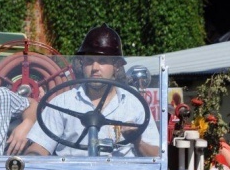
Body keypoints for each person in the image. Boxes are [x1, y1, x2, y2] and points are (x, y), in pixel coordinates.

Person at [25, 25, 159, 157]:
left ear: (117, 66)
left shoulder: (134, 104)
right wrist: (30, 159)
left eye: (102, 61)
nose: (95, 67)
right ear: (81, 64)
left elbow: (156, 156)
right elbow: (39, 147)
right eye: (89, 61)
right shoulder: (62, 103)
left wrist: (137, 141)